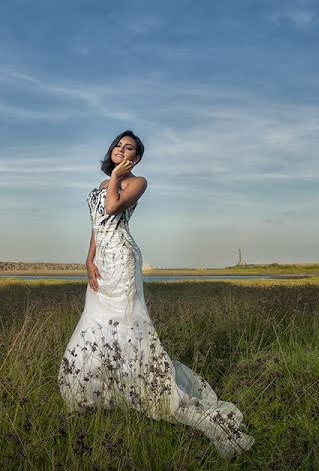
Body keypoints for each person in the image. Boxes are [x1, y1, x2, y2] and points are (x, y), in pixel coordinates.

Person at [57, 130, 255, 458]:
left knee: (127, 327)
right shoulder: (99, 184)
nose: (122, 150)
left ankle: (150, 390)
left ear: (136, 156)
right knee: (96, 325)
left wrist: (118, 176)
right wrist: (88, 258)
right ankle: (103, 395)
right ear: (112, 150)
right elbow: (95, 224)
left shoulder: (138, 182)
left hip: (121, 258)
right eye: (118, 146)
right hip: (102, 260)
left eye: (129, 147)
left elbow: (111, 208)